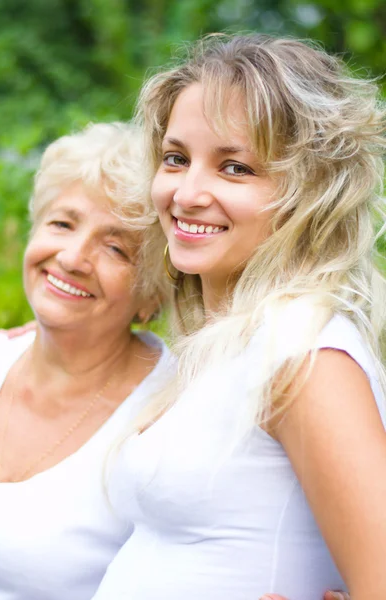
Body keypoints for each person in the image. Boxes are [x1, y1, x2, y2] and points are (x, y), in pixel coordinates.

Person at [89, 34, 386, 599]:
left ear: (309, 192)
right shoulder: (228, 345)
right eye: (176, 159)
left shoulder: (306, 355)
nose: (187, 192)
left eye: (235, 168)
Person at [0, 122, 172, 599]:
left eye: (116, 248)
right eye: (62, 223)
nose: (73, 257)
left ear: (153, 294)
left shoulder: (174, 407)